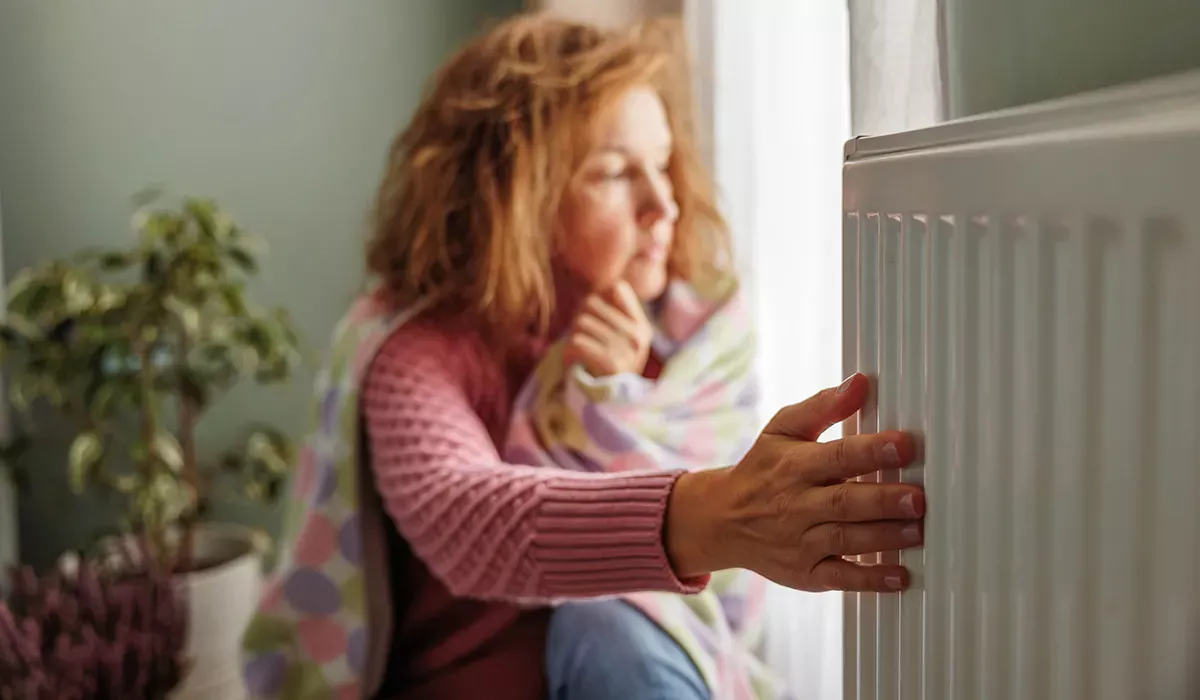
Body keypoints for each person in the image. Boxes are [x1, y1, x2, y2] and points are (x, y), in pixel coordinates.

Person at [241, 13, 924, 700]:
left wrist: (617, 397)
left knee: (612, 625)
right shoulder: (418, 351)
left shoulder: (693, 337)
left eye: (662, 165)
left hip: (621, 670)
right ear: (513, 199)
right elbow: (466, 518)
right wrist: (728, 512)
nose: (665, 204)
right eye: (614, 173)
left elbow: (707, 609)